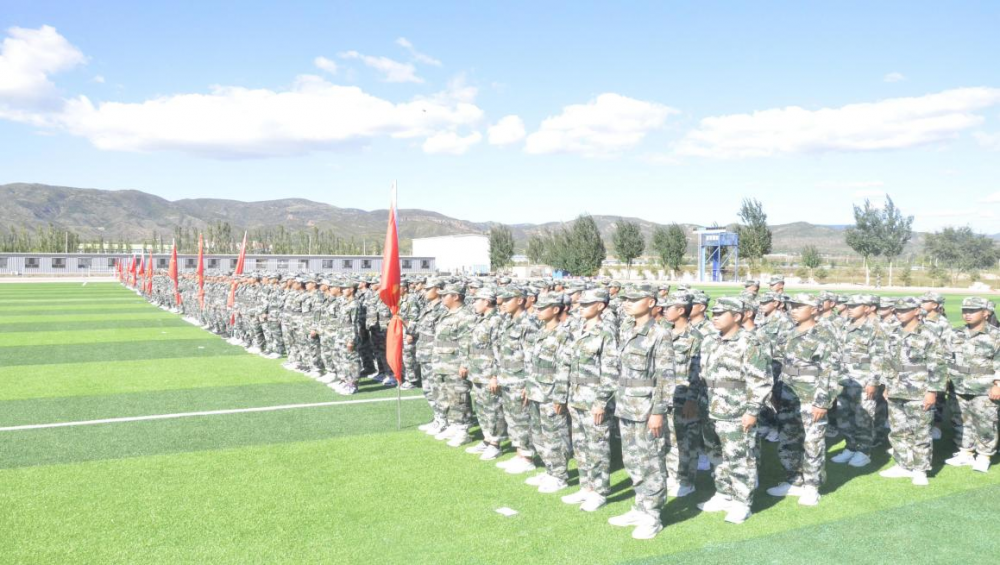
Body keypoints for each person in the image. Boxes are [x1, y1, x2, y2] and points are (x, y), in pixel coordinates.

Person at [607, 284, 674, 540]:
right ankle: (640, 506)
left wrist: (658, 411)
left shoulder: (660, 333)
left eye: (634, 299)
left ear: (650, 302)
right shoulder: (627, 328)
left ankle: (652, 515)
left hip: (647, 409)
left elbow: (665, 377)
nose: (627, 302)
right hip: (626, 406)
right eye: (625, 298)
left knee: (651, 462)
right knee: (632, 460)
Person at [696, 297, 771, 524]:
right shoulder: (710, 341)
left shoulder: (749, 343)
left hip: (736, 410)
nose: (715, 317)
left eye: (721, 313)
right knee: (715, 454)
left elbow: (760, 381)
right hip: (710, 407)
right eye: (714, 313)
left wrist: (752, 410)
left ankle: (742, 502)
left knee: (739, 458)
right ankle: (723, 493)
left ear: (737, 316)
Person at [766, 293, 837, 507]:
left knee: (812, 442)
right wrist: (774, 392)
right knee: (788, 439)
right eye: (792, 306)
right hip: (788, 394)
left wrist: (822, 402)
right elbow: (777, 362)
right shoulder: (788, 333)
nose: (793, 310)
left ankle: (812, 486)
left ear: (814, 309)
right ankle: (794, 480)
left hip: (811, 395)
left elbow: (830, 371)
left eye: (799, 306)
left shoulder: (824, 335)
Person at [560, 288, 620, 513]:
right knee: (580, 445)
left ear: (600, 306)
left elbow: (611, 371)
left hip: (594, 399)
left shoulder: (606, 332)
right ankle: (586, 486)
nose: (581, 307)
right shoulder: (579, 329)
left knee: (597, 447)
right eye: (581, 304)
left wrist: (601, 401)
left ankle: (600, 491)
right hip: (576, 397)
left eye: (587, 304)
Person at [880, 297, 946, 486]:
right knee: (898, 430)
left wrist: (932, 391)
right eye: (897, 310)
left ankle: (920, 470)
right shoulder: (893, 333)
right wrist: (886, 385)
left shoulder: (928, 334)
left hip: (919, 390)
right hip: (896, 388)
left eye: (904, 310)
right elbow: (888, 361)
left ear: (917, 311)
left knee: (920, 432)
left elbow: (937, 365)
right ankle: (903, 464)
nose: (899, 313)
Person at [830, 295, 889, 468]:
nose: (850, 308)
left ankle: (864, 451)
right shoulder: (844, 326)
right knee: (844, 416)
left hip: (863, 380)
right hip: (844, 379)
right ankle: (850, 446)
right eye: (849, 305)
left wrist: (873, 381)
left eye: (855, 306)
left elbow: (879, 357)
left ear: (867, 308)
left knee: (863, 417)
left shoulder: (875, 328)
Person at [944, 297, 1000, 473]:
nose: (967, 314)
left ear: (985, 313)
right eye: (965, 311)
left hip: (984, 387)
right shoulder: (955, 334)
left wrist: (998, 384)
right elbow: (946, 358)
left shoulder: (995, 335)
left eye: (973, 311)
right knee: (961, 419)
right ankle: (966, 452)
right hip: (958, 385)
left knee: (986, 422)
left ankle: (984, 455)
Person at [524, 292, 573, 493]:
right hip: (536, 390)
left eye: (542, 308)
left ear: (555, 309)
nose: (538, 311)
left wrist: (560, 396)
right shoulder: (540, 332)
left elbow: (564, 368)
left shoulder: (563, 335)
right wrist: (527, 387)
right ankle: (549, 469)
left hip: (551, 393)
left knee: (555, 435)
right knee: (538, 433)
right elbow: (532, 364)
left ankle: (559, 475)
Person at [660, 292, 703, 497]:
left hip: (684, 397)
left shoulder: (695, 337)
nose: (664, 311)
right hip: (665, 395)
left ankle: (686, 480)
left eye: (668, 307)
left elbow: (697, 371)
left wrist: (691, 399)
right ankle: (672, 475)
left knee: (686, 441)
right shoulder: (663, 333)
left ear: (680, 310)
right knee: (668, 439)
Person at [494, 287, 539, 475]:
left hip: (520, 380)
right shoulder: (508, 321)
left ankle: (527, 457)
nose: (503, 303)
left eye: (507, 300)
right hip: (507, 378)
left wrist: (529, 383)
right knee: (512, 418)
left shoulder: (528, 324)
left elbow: (532, 357)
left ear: (520, 300)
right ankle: (520, 453)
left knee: (522, 419)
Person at [464, 287, 506, 460]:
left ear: (487, 302)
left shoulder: (496, 321)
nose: (474, 303)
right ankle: (487, 438)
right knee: (481, 407)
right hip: (477, 371)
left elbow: (499, 351)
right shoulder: (481, 319)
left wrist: (495, 376)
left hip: (489, 373)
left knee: (493, 408)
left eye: (477, 300)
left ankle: (496, 443)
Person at [433, 284, 477, 446]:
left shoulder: (466, 315)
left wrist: (464, 364)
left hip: (455, 364)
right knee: (445, 396)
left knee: (459, 397)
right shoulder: (446, 313)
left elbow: (467, 342)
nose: (442, 297)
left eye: (445, 295)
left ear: (456, 296)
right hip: (442, 363)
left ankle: (463, 429)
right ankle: (453, 424)